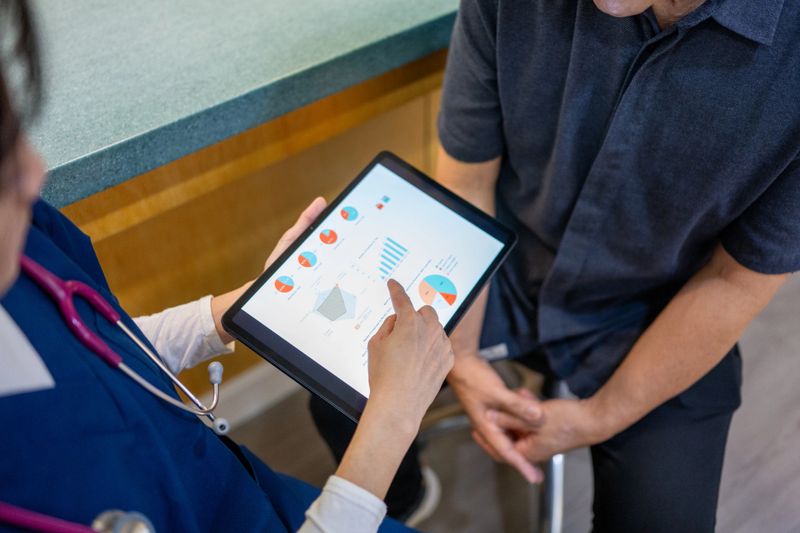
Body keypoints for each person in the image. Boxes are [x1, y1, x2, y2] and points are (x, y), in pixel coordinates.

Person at [310, 0, 800, 530]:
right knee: (331, 373)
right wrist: (462, 352)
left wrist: (599, 417)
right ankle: (402, 500)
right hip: (502, 262)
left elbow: (735, 280)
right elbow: (467, 183)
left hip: (661, 310)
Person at [0, 1, 454, 531]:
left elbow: (103, 347)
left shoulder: (24, 241)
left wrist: (249, 304)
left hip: (245, 494)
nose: (36, 172)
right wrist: (392, 420)